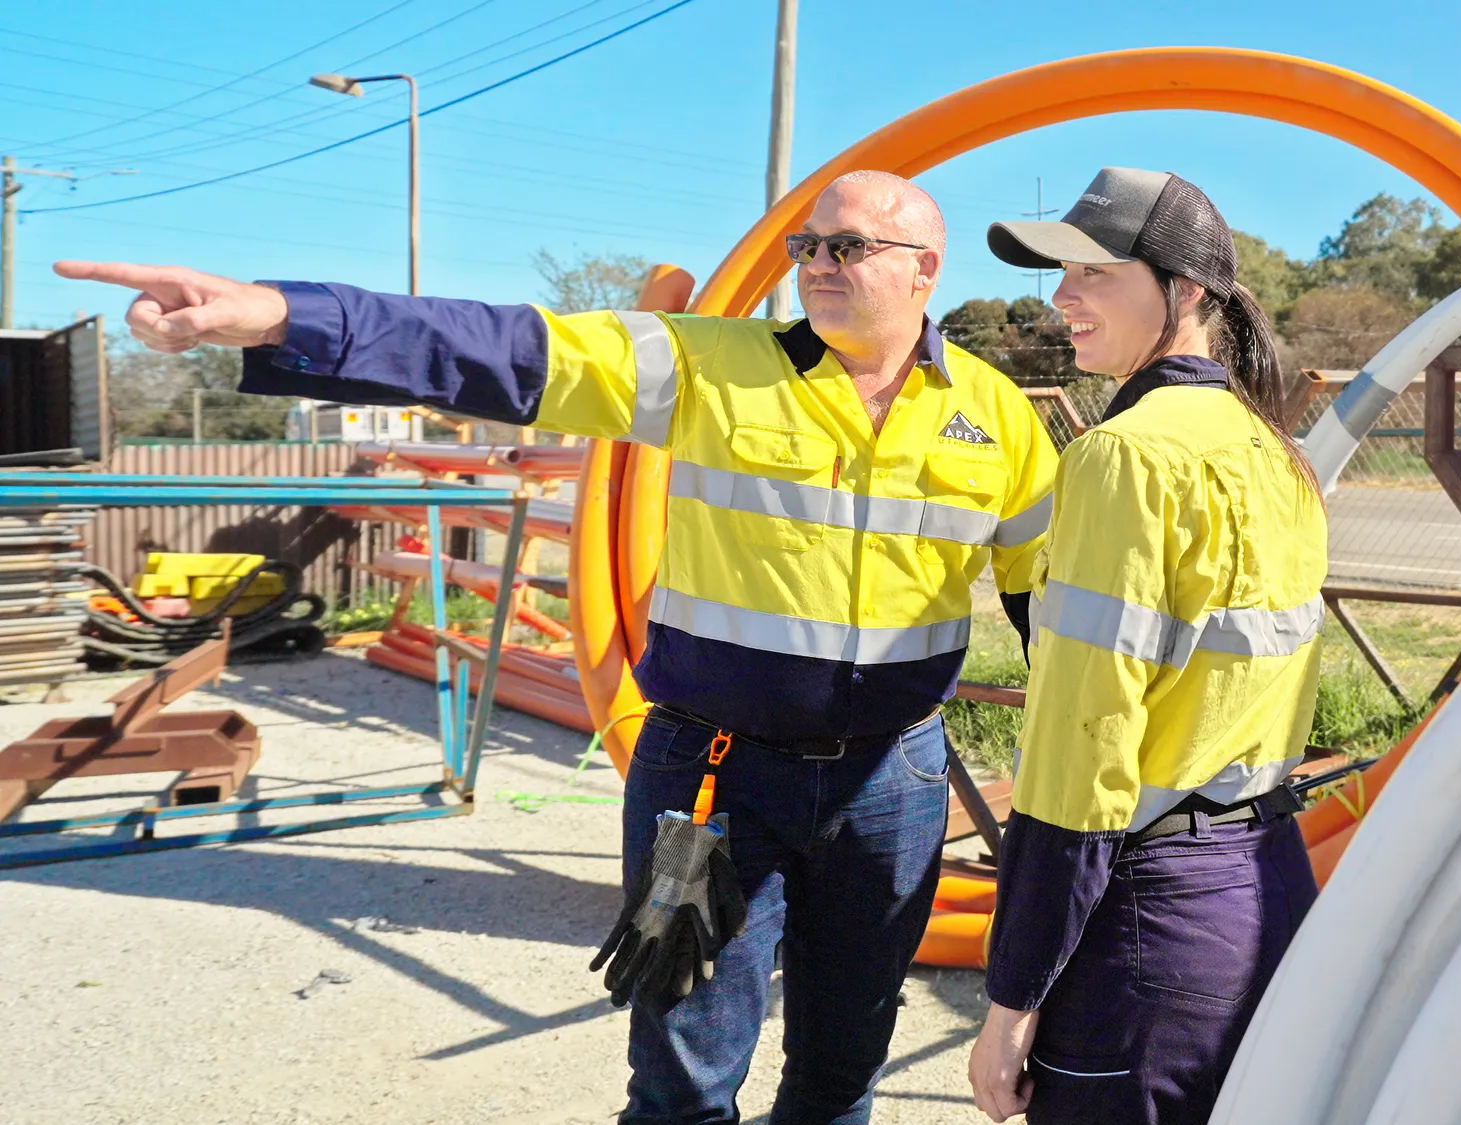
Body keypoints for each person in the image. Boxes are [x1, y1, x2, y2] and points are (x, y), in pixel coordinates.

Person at [57, 169, 1059, 1125]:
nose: (819, 262)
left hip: (891, 783)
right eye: (808, 244)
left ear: (925, 270)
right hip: (709, 780)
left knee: (845, 1066)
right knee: (681, 1065)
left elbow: (1040, 599)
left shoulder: (999, 418)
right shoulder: (707, 364)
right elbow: (505, 347)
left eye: (849, 245)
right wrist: (283, 314)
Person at [965, 167, 1326, 1125]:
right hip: (1264, 887)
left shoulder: (1121, 455)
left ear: (1189, 291)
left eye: (1094, 271)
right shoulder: (1272, 453)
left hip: (1147, 930)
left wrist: (1011, 996)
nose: (1060, 297)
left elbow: (1080, 761)